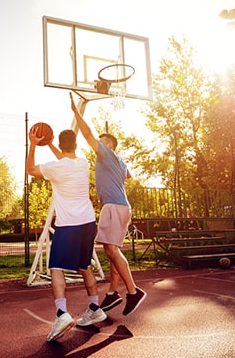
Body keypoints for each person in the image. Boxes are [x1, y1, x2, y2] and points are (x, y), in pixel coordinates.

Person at [27, 125, 107, 342]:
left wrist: (34, 144)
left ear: (61, 146)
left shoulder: (56, 167)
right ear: (76, 145)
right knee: (85, 266)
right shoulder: (82, 163)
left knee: (55, 267)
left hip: (68, 224)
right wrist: (51, 143)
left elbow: (30, 169)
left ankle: (62, 314)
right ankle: (95, 307)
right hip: (88, 222)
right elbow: (65, 158)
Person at [70, 92, 146, 316]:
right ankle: (113, 292)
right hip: (121, 206)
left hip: (113, 206)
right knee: (113, 250)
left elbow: (87, 133)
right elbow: (129, 175)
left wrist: (76, 112)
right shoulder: (119, 162)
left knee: (111, 249)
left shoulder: (106, 153)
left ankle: (133, 292)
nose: (97, 145)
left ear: (109, 144)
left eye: (102, 142)